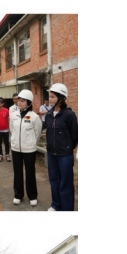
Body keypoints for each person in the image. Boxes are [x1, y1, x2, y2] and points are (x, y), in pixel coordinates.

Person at [44, 83, 78, 211]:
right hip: (51, 154)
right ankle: (55, 205)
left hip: (65, 155)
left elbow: (75, 135)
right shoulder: (49, 114)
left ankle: (67, 209)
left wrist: (69, 148)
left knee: (66, 183)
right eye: (50, 96)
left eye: (52, 97)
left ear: (61, 98)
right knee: (54, 181)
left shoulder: (69, 115)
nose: (50, 99)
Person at [9, 89, 43, 207]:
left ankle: (32, 196)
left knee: (30, 173)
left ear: (28, 102)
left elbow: (37, 133)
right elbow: (12, 130)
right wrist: (14, 141)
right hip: (15, 149)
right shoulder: (13, 115)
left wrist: (32, 143)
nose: (19, 102)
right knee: (17, 172)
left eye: (22, 100)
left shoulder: (34, 117)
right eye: (18, 100)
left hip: (29, 149)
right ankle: (18, 195)